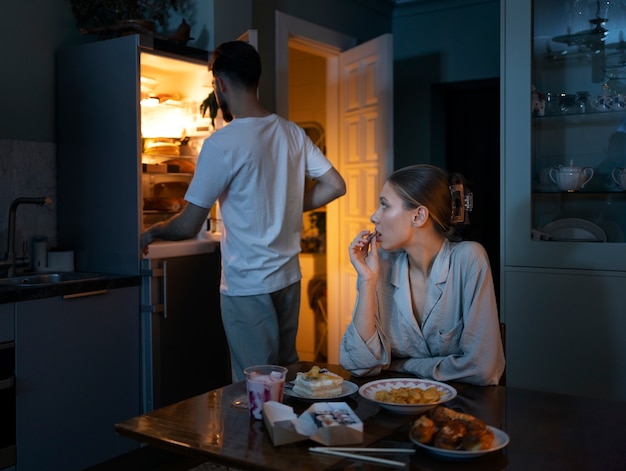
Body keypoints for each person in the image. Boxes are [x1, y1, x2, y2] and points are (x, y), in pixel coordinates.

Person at [141, 41, 346, 382]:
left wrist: (152, 230)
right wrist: (291, 206)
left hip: (248, 285)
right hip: (288, 279)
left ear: (220, 84)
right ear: (257, 81)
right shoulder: (291, 133)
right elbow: (335, 185)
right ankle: (290, 435)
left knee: (259, 385)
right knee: (287, 375)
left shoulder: (222, 143)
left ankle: (262, 436)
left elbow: (189, 225)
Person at [339, 164, 504, 386]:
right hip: (395, 405)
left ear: (418, 216)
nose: (374, 216)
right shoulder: (381, 267)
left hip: (460, 408)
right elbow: (358, 364)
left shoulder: (469, 258)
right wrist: (367, 281)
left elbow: (484, 369)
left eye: (385, 205)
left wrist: (403, 365)